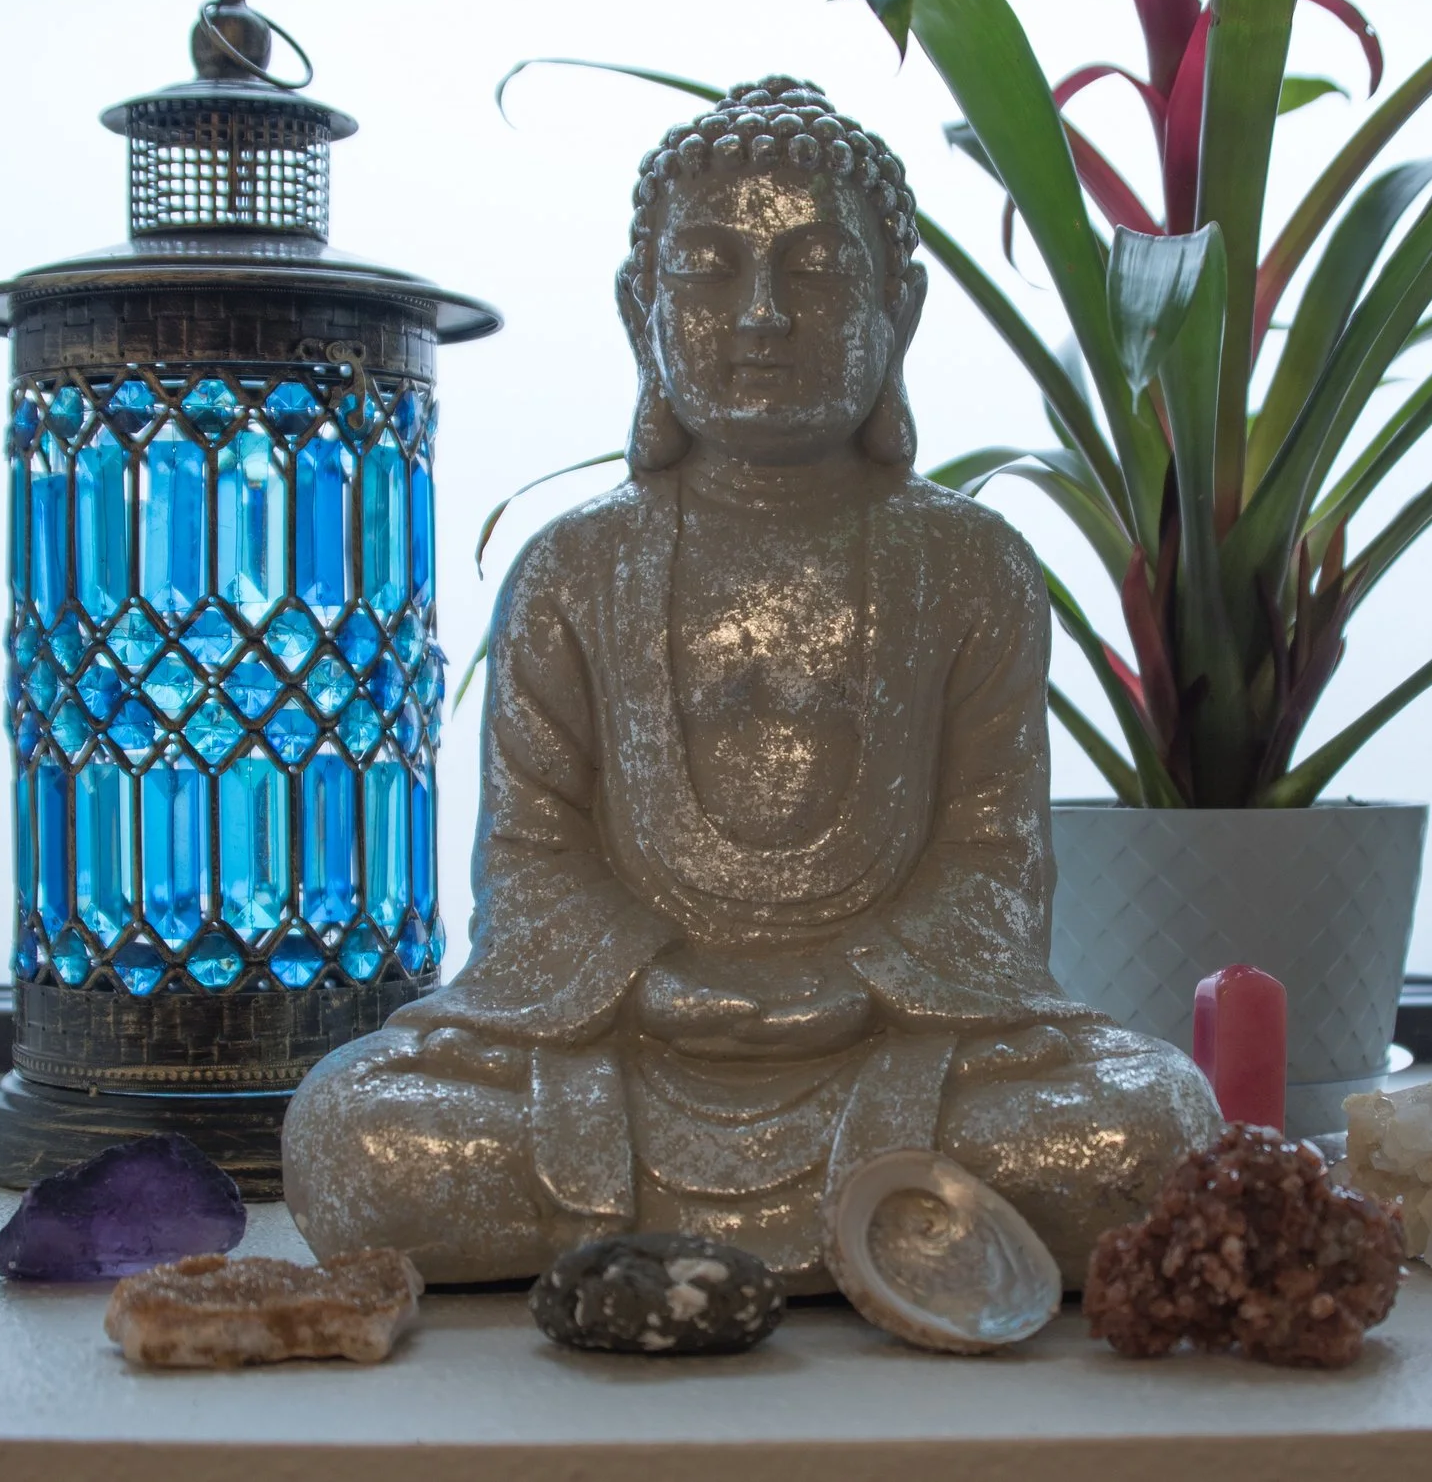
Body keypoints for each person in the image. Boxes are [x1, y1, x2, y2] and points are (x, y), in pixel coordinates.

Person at [285, 78, 1218, 1288]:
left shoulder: (968, 561)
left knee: (1142, 1124)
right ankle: (893, 1232)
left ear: (901, 310)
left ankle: (634, 1236)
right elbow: (528, 859)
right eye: (711, 271)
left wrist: (856, 986)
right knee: (355, 1133)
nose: (763, 315)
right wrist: (655, 985)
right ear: (641, 310)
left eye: (820, 271)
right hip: (620, 1042)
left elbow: (995, 856)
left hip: (896, 1044)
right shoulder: (575, 565)